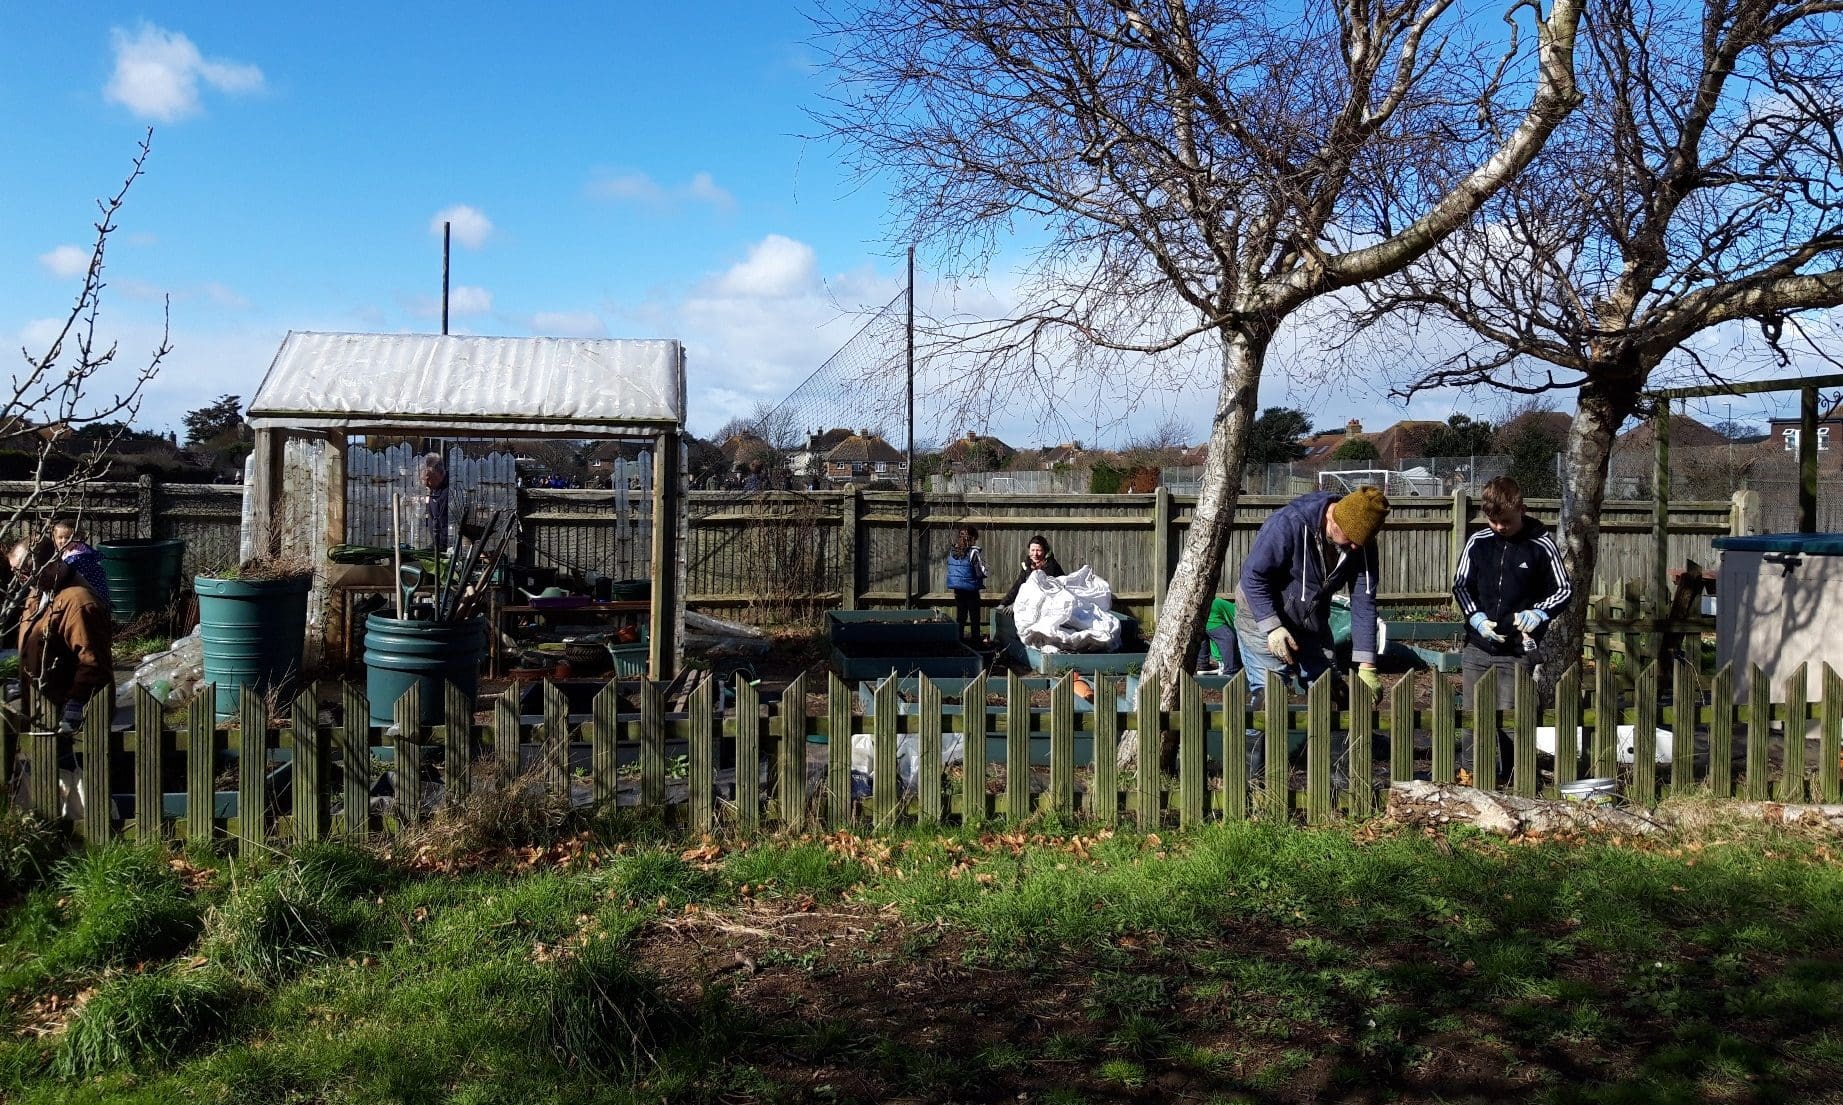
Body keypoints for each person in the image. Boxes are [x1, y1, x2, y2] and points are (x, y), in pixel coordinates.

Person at [1453, 476, 1572, 782]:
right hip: (1478, 647)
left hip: (1517, 652)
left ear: (1522, 509)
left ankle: (1513, 780)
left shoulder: (1541, 545)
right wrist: (1476, 617)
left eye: (1505, 521)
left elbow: (1563, 589)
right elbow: (1461, 586)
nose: (1500, 527)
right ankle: (1471, 776)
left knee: (1510, 719)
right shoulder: (1477, 542)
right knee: (1472, 718)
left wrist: (1539, 612)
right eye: (1493, 521)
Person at [1235, 486, 1390, 699]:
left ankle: (1333, 734)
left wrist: (1367, 666)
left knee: (1329, 689)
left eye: (1361, 541)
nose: (1355, 547)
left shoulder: (1361, 544)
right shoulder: (1288, 524)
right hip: (1261, 611)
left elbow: (1364, 601)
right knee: (1270, 695)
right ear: (1333, 519)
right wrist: (1272, 626)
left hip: (1310, 619)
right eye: (1351, 538)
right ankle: (1257, 733)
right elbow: (1253, 576)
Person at [11, 534, 114, 731]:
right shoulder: (39, 592)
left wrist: (73, 708)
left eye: (24, 572)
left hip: (65, 719)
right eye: (15, 572)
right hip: (41, 709)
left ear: (51, 564)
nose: (19, 579)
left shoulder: (79, 603)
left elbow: (93, 663)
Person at [945, 525, 989, 643]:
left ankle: (959, 639)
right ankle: (976, 640)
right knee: (975, 616)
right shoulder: (973, 552)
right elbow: (980, 572)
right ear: (973, 538)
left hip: (958, 589)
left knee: (961, 615)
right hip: (971, 589)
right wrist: (986, 570)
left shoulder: (953, 551)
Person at [50, 520, 111, 606]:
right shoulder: (78, 550)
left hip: (92, 598)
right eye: (60, 537)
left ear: (77, 537)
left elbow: (65, 579)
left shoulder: (76, 558)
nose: (63, 541)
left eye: (68, 538)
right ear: (54, 538)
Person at [1000, 534, 1065, 606]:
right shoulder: (1027, 565)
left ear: (1045, 551)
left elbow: (1041, 590)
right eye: (1032, 550)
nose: (1035, 554)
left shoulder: (1051, 566)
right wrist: (1004, 603)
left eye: (1038, 550)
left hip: (1051, 605)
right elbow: (1018, 585)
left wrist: (1017, 604)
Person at [1197, 596, 1242, 676]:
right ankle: (1230, 671)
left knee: (1203, 635)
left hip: (1201, 608)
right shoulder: (1244, 618)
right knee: (1228, 638)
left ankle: (1202, 666)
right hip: (1212, 610)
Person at [421, 453, 450, 549]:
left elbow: (447, 525)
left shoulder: (448, 492)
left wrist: (439, 547)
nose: (425, 483)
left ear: (437, 473)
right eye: (423, 479)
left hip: (445, 546)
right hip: (436, 544)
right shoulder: (434, 488)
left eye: (428, 479)